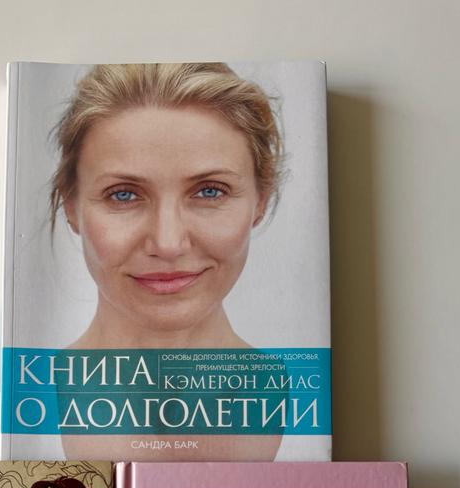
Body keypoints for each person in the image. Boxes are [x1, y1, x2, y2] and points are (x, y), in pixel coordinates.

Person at [49, 62, 285, 461]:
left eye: (210, 191)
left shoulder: (303, 400)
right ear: (71, 206)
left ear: (260, 201)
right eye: (123, 194)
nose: (168, 243)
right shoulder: (26, 397)